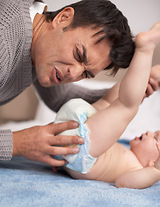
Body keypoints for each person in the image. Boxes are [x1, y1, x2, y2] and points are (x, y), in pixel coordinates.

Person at [0, 0, 158, 166]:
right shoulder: (4, 39)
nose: (73, 74)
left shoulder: (42, 50)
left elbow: (61, 97)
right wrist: (17, 143)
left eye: (85, 73)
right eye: (78, 54)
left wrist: (128, 91)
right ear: (63, 18)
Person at [54, 23, 160, 189]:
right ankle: (147, 76)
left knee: (125, 106)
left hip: (77, 144)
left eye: (155, 138)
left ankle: (144, 51)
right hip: (79, 142)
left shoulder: (137, 169)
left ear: (153, 162)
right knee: (113, 103)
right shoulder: (124, 153)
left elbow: (122, 183)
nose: (148, 132)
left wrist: (156, 171)